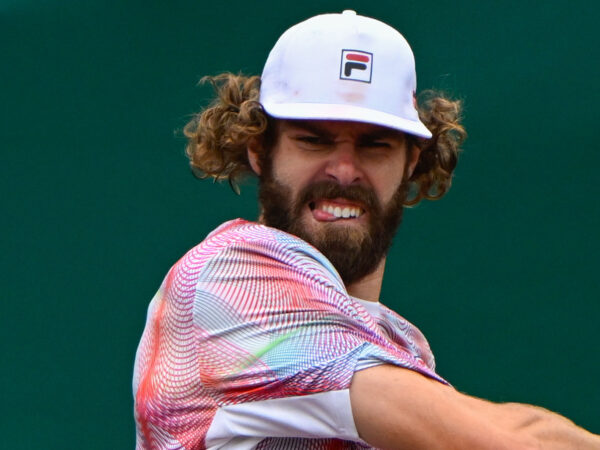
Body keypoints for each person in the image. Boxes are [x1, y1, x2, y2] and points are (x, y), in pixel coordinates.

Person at [133, 10, 600, 450]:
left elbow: (519, 428)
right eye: (313, 139)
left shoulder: (398, 344)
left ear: (411, 160)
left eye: (375, 145)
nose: (344, 170)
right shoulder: (232, 280)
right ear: (260, 149)